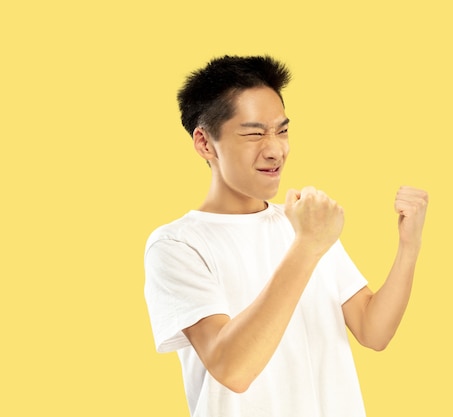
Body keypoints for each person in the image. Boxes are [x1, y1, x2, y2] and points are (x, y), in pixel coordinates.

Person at [144, 55, 429, 417]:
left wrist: (409, 247)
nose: (275, 148)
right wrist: (308, 245)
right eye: (253, 133)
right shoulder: (177, 245)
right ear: (204, 143)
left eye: (282, 130)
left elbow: (373, 332)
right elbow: (232, 368)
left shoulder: (305, 224)